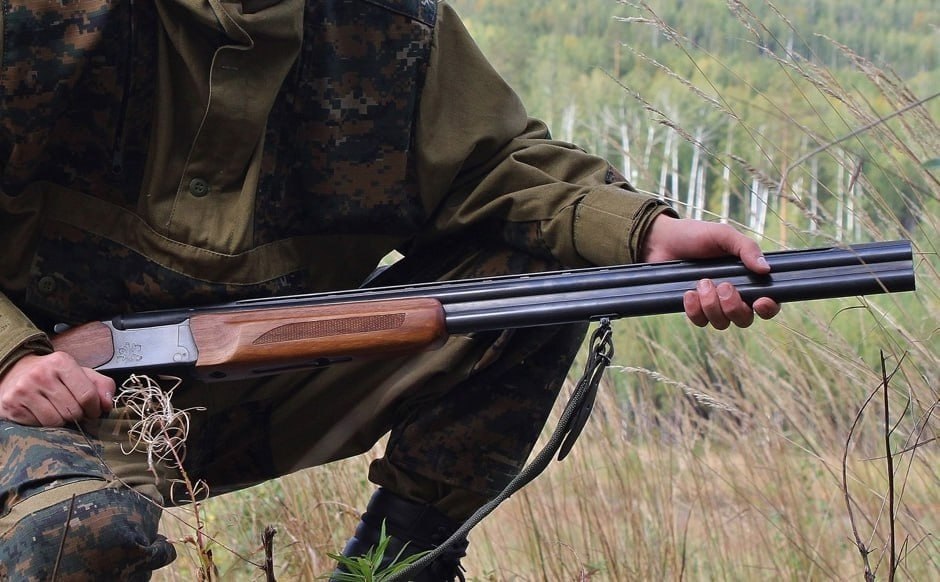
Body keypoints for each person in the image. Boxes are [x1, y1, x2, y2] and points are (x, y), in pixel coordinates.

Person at [0, 1, 779, 580]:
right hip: (26, 409)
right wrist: (13, 358)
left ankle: (400, 562)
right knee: (79, 534)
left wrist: (644, 234)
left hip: (243, 390)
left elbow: (492, 167)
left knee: (553, 272)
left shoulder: (393, 24)